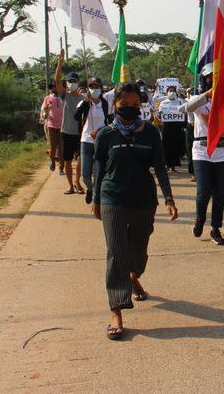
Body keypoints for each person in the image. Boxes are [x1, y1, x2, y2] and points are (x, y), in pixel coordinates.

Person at [92, 83, 178, 340]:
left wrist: (169, 198)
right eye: (123, 105)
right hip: (112, 199)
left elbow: (160, 167)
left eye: (133, 105)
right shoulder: (106, 135)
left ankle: (133, 276)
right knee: (116, 252)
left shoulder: (150, 132)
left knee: (138, 250)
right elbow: (99, 168)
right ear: (115, 106)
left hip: (143, 199)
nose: (129, 109)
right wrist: (95, 199)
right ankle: (116, 309)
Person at [185, 63, 224, 245]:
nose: (214, 82)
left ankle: (216, 228)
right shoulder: (199, 99)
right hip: (202, 150)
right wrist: (207, 95)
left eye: (217, 79)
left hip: (221, 151)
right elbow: (186, 108)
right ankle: (199, 218)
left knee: (219, 194)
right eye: (210, 78)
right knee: (203, 192)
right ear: (204, 81)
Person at [75, 77, 110, 205]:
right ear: (88, 89)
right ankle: (90, 189)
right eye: (92, 87)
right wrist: (85, 102)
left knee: (98, 172)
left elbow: (109, 122)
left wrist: (100, 131)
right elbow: (76, 117)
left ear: (101, 88)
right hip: (86, 141)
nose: (94, 89)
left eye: (97, 87)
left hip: (100, 142)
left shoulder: (105, 103)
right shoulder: (84, 103)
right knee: (85, 174)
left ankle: (96, 197)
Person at [54, 50, 84, 195]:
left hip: (79, 133)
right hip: (66, 132)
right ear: (67, 84)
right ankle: (70, 185)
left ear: (78, 83)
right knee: (67, 161)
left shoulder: (84, 98)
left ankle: (77, 182)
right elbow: (57, 81)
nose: (72, 83)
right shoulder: (64, 96)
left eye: (74, 81)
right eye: (70, 81)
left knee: (80, 159)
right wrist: (60, 64)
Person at [156, 85, 186, 173]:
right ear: (166, 92)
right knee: (166, 145)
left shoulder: (180, 102)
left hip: (177, 126)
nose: (171, 92)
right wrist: (159, 115)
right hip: (167, 126)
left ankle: (173, 166)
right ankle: (167, 165)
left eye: (173, 91)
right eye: (170, 91)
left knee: (175, 145)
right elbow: (160, 114)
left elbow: (185, 109)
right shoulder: (163, 103)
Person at [39, 82, 63, 173]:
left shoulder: (63, 98)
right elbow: (43, 110)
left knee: (61, 148)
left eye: (56, 87)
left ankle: (61, 167)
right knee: (53, 147)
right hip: (51, 125)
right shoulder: (47, 98)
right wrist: (45, 113)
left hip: (62, 126)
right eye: (52, 87)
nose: (54, 89)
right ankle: (52, 160)